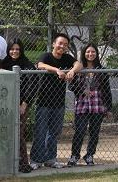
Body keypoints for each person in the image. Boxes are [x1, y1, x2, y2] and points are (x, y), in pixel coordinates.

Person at [30, 33, 82, 170]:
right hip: (43, 102)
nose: (62, 46)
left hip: (59, 103)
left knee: (54, 133)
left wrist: (72, 71)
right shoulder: (46, 56)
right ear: (54, 44)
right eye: (60, 43)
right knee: (40, 132)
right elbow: (40, 65)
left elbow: (79, 64)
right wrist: (56, 70)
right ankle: (36, 160)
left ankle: (50, 159)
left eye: (65, 44)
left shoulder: (66, 58)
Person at [67, 43, 113, 166]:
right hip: (82, 104)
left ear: (96, 54)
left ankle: (89, 155)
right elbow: (71, 85)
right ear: (84, 53)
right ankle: (74, 155)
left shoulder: (102, 70)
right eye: (88, 52)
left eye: (93, 52)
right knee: (80, 131)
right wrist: (82, 90)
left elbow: (107, 91)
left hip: (97, 105)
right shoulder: (79, 69)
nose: (90, 54)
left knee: (94, 132)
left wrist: (108, 108)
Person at [0, 38, 37, 173]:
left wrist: (24, 105)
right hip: (4, 105)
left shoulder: (27, 65)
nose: (14, 51)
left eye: (17, 49)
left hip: (20, 106)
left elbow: (32, 86)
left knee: (19, 134)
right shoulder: (3, 64)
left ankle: (22, 163)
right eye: (12, 49)